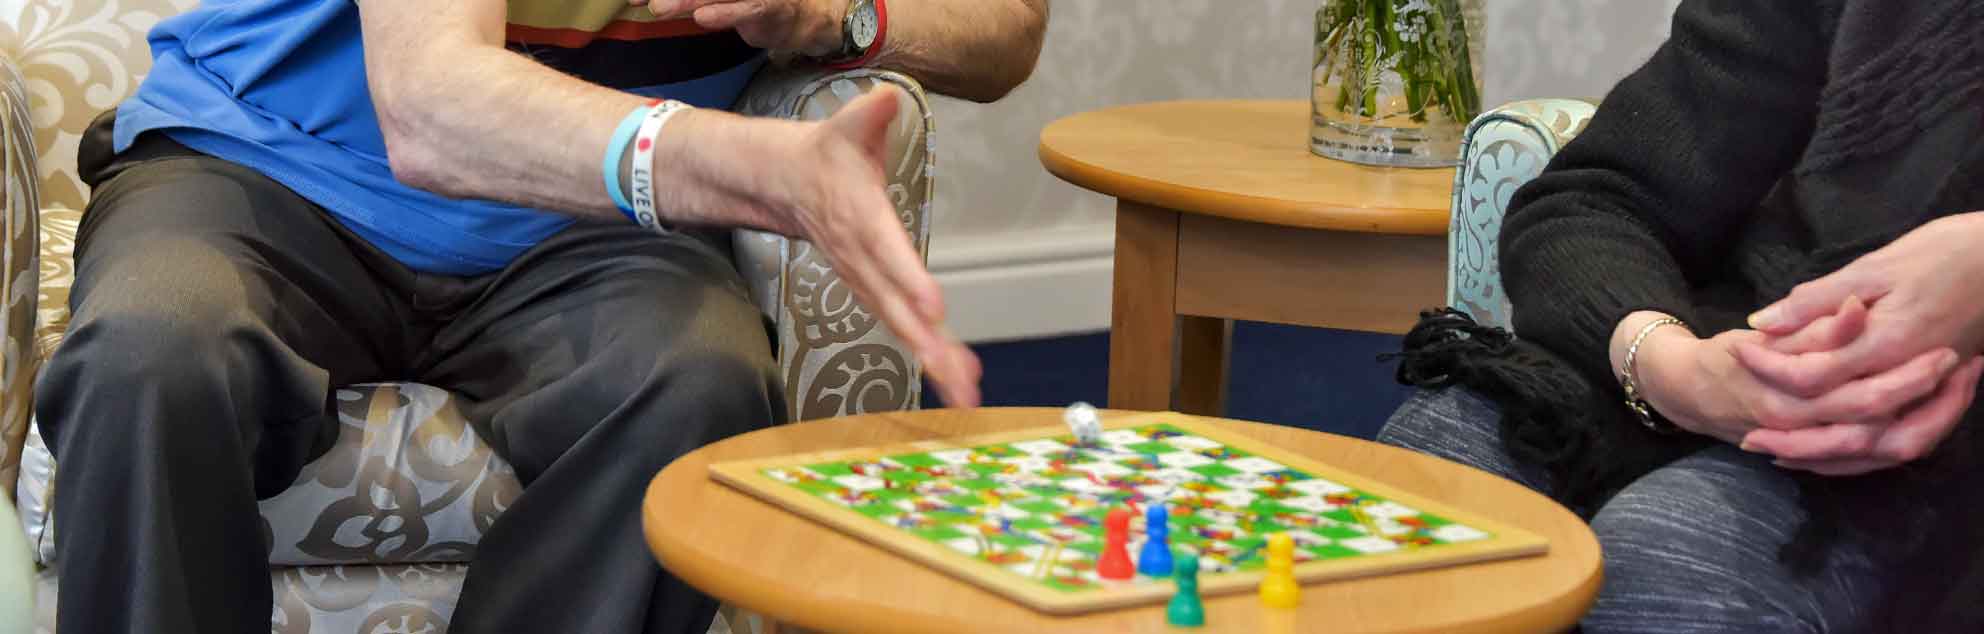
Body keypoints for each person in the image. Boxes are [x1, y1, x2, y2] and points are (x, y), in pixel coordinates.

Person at [39, 0, 1047, 632]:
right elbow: (432, 109)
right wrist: (745, 166)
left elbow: (1008, 25)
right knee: (149, 356)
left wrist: (837, 14)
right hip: (266, 159)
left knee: (697, 389)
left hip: (582, 215)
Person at [1378, 0, 1982, 631]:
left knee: (1674, 559)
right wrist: (1673, 372)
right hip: (1728, 350)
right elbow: (1594, 201)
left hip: (1941, 465)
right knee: (1439, 457)